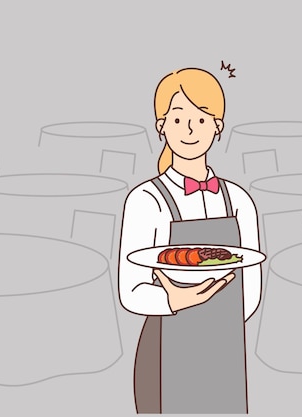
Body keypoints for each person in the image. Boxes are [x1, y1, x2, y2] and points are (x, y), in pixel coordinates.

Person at [118, 67, 261, 414]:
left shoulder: (239, 199)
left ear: (218, 127)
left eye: (201, 118)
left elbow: (251, 289)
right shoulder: (145, 199)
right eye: (178, 118)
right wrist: (175, 300)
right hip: (164, 346)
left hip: (225, 348)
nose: (190, 130)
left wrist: (215, 330)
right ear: (161, 126)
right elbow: (130, 291)